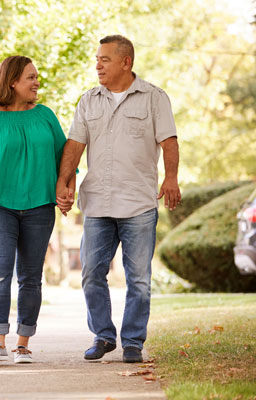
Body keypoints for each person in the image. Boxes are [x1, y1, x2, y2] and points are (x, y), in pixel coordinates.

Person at [56, 35, 181, 363]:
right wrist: (64, 181)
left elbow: (169, 141)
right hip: (97, 202)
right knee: (91, 273)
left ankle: (133, 342)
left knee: (138, 278)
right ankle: (103, 335)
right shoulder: (89, 101)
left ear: (126, 62)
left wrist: (170, 178)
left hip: (138, 203)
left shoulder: (154, 98)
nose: (98, 64)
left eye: (105, 59)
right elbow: (74, 145)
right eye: (97, 59)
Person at [0, 56, 74, 364]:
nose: (37, 82)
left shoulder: (45, 116)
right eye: (30, 78)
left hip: (39, 207)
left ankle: (22, 344)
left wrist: (66, 190)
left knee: (31, 277)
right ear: (12, 83)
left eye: (37, 77)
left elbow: (65, 159)